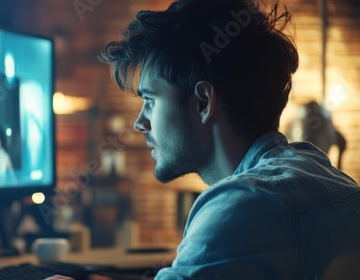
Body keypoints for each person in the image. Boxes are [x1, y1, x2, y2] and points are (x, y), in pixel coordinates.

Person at [95, 0, 360, 279]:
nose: (140, 123)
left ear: (203, 103)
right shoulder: (323, 172)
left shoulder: (243, 204)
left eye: (150, 100)